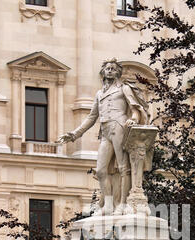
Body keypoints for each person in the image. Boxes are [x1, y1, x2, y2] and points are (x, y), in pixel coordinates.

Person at [57, 58, 149, 215]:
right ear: (103, 72)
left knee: (122, 167)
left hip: (119, 126)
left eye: (113, 68)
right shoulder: (99, 93)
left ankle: (121, 204)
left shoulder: (123, 88)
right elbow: (92, 117)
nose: (110, 71)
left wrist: (133, 119)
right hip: (105, 131)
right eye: (108, 68)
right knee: (100, 170)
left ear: (118, 72)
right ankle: (107, 204)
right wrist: (74, 134)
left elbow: (134, 107)